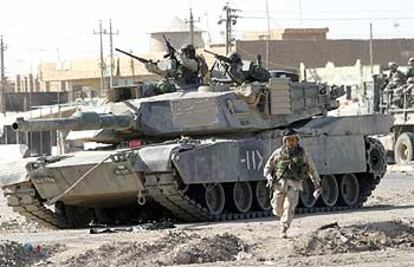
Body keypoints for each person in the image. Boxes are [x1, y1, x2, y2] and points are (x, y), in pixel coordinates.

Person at [263, 128, 321, 238]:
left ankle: (284, 229)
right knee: (278, 209)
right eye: (289, 140)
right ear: (285, 141)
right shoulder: (278, 153)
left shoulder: (302, 154)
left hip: (294, 184)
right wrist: (269, 177)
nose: (292, 142)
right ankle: (283, 217)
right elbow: (268, 167)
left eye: (294, 140)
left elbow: (311, 169)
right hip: (280, 185)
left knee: (289, 206)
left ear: (297, 140)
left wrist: (316, 183)